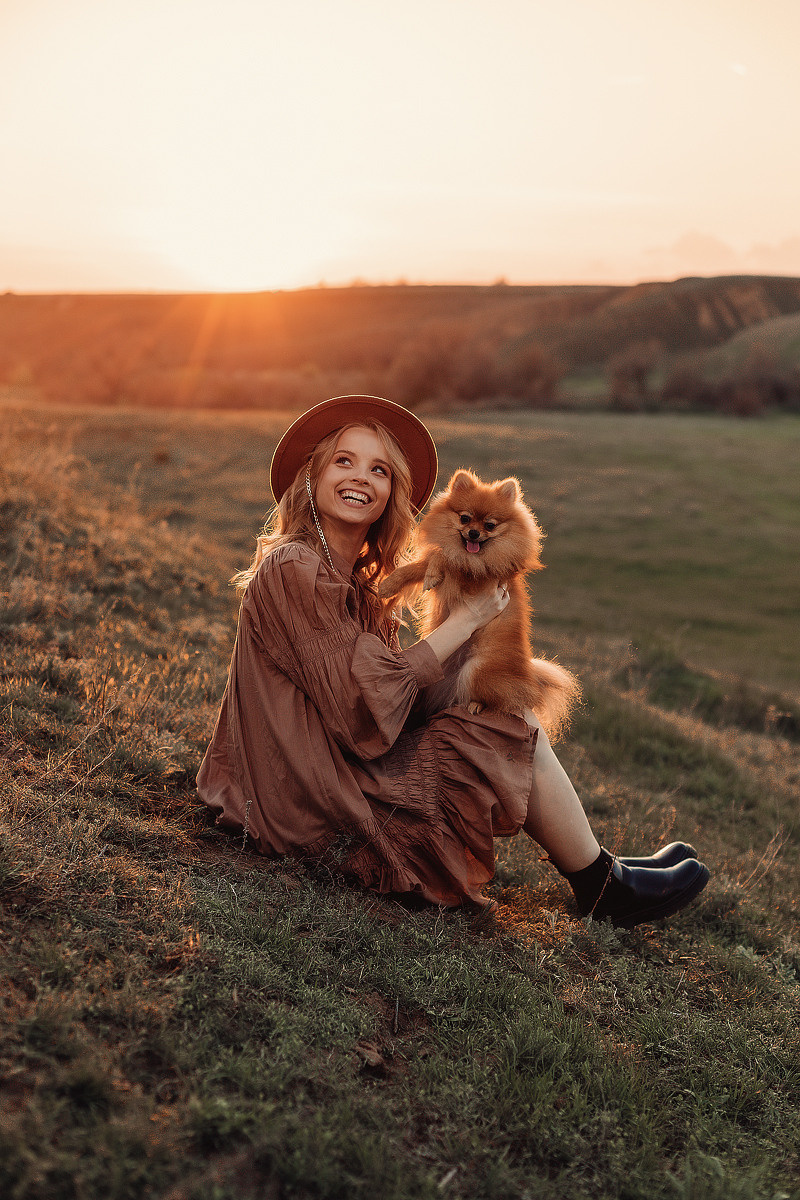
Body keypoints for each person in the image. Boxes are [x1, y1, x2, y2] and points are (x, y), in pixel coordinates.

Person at [197, 395, 710, 926]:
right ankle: (603, 884)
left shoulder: (350, 581)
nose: (361, 478)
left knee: (501, 713)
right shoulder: (294, 567)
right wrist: (465, 623)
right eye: (343, 461)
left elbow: (376, 704)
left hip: (326, 773)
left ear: (391, 493)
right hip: (309, 801)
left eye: (380, 469)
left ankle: (602, 872)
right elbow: (359, 708)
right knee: (506, 726)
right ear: (312, 476)